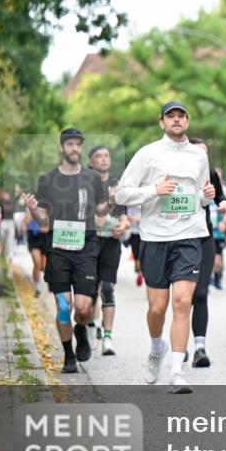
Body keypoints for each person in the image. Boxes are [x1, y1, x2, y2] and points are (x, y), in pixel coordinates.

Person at [111, 102, 215, 393]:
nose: (177, 120)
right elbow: (122, 193)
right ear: (162, 123)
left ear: (188, 121)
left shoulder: (198, 155)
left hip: (190, 235)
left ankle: (178, 373)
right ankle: (157, 347)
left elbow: (203, 196)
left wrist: (207, 196)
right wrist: (153, 191)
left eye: (181, 116)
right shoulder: (148, 154)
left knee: (183, 302)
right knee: (157, 308)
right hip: (155, 237)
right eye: (171, 116)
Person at [22, 128, 113, 374]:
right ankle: (68, 355)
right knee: (64, 307)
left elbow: (101, 211)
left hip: (86, 246)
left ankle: (81, 330)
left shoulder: (92, 178)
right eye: (70, 144)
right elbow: (43, 219)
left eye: (78, 144)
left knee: (83, 309)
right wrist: (32, 208)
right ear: (62, 147)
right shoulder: (48, 180)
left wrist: (112, 201)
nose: (75, 149)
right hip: (58, 249)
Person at [188, 138, 226, 367]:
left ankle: (200, 348)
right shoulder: (176, 174)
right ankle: (178, 343)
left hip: (205, 237)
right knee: (182, 298)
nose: (202, 157)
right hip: (180, 238)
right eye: (197, 152)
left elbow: (220, 196)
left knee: (201, 293)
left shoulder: (210, 173)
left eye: (205, 153)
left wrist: (222, 203)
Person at [87, 145, 130, 355]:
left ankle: (107, 338)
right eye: (98, 156)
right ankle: (91, 326)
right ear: (90, 161)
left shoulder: (117, 184)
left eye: (106, 156)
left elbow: (124, 216)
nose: (103, 160)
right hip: (89, 243)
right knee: (88, 292)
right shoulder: (84, 183)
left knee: (107, 288)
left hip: (111, 245)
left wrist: (122, 226)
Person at [211, 166, 226, 290]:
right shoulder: (203, 189)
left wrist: (225, 222)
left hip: (219, 230)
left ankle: (218, 278)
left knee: (218, 258)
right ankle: (208, 277)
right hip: (206, 228)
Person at [25, 212, 51, 296]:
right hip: (34, 240)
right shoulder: (31, 208)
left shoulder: (49, 209)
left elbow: (51, 227)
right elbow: (27, 223)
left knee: (43, 267)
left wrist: (43, 229)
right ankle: (37, 288)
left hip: (44, 240)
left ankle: (50, 283)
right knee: (37, 263)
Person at [125, 205, 143, 285]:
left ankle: (143, 274)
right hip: (133, 233)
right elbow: (125, 214)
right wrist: (136, 219)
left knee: (143, 256)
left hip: (145, 234)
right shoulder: (130, 201)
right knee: (136, 257)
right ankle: (139, 273)